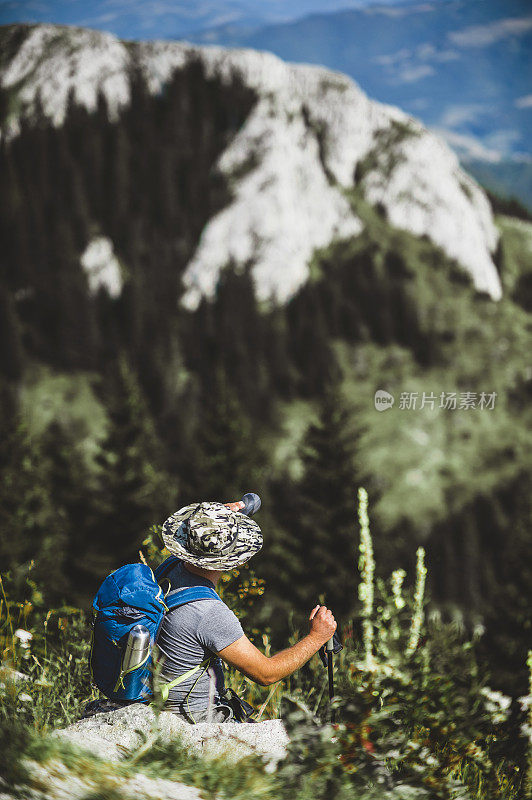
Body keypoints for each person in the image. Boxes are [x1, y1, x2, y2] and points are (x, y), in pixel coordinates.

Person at [156, 501, 337, 723]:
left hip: (160, 702)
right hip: (196, 719)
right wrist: (316, 637)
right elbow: (266, 674)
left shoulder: (169, 568)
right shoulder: (209, 613)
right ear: (230, 561)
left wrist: (215, 518)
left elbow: (200, 538)